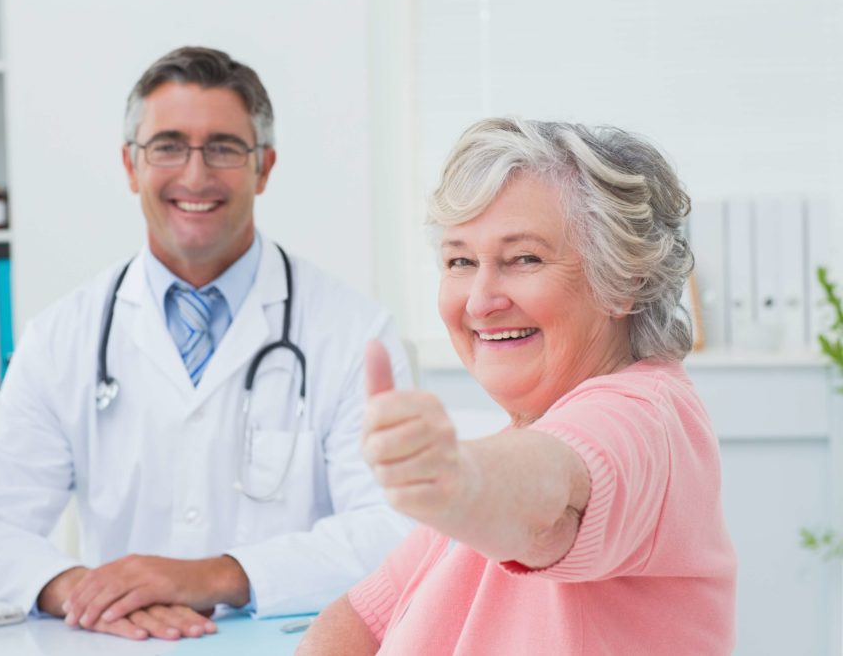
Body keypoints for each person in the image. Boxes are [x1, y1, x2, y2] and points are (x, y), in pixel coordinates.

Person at [0, 46, 413, 642]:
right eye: (167, 146)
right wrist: (82, 590)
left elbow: (397, 531)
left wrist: (219, 574)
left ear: (264, 167)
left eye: (223, 147)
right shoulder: (62, 337)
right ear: (131, 166)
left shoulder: (353, 333)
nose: (194, 174)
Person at [298, 118, 737, 654]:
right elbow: (360, 617)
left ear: (625, 282)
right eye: (460, 260)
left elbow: (549, 506)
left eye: (524, 258)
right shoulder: (528, 429)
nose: (480, 301)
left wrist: (454, 477)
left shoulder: (647, 418)